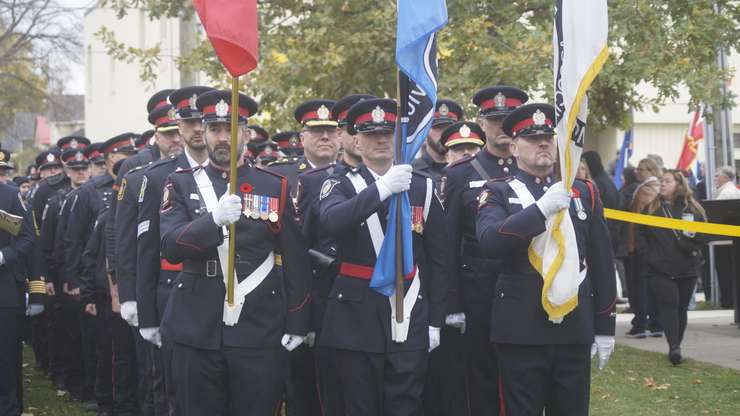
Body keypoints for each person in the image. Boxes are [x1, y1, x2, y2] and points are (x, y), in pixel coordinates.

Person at [159, 89, 311, 415]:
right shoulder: (181, 183)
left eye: (230, 129)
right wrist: (210, 221)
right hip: (196, 322)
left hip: (258, 323)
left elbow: (296, 259)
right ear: (204, 133)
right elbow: (170, 247)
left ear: (246, 133)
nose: (222, 137)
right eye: (214, 129)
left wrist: (298, 322)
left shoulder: (275, 185)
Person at [476, 103, 616, 415]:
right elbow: (490, 241)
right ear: (513, 147)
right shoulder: (497, 191)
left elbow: (602, 261)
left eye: (548, 137)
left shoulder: (583, 192)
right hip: (520, 329)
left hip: (573, 326)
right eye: (531, 138)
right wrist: (540, 210)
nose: (543, 143)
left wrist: (605, 325)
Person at [318, 97, 447, 415]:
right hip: (356, 317)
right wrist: (383, 188)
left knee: (405, 404)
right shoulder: (339, 184)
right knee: (360, 405)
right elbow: (333, 221)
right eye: (371, 133)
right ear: (356, 141)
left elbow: (440, 259)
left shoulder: (423, 188)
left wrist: (434, 319)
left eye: (388, 133)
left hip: (408, 311)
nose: (380, 140)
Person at [441, 85, 528, 415]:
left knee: (523, 373)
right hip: (479, 288)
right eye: (495, 120)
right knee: (480, 374)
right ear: (482, 122)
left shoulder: (534, 169)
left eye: (508, 120)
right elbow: (447, 242)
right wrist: (452, 300)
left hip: (526, 283)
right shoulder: (460, 173)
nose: (502, 127)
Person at [135, 85, 213, 416]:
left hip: (227, 295)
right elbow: (145, 248)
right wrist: (145, 312)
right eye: (189, 122)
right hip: (172, 295)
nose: (197, 129)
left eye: (203, 122)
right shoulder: (157, 177)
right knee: (176, 390)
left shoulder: (239, 172)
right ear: (177, 127)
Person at [637, 169, 707, 365]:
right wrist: (647, 256)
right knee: (669, 305)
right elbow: (640, 233)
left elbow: (703, 236)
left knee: (681, 308)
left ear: (678, 184)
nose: (663, 184)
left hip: (686, 266)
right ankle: (674, 347)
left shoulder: (691, 209)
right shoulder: (651, 208)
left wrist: (692, 246)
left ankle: (677, 343)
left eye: (667, 181)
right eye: (661, 181)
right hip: (659, 269)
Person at [0, 180, 36, 416]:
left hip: (3, 287)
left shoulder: (9, 195)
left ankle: (9, 408)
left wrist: (4, 256)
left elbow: (27, 237)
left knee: (6, 357)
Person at [269, 99, 340, 197]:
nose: (325, 137)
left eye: (331, 131)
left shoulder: (353, 175)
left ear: (340, 136)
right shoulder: (278, 176)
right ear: (302, 139)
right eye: (317, 131)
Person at [625, 158, 664, 338]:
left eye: (641, 169)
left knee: (639, 286)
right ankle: (656, 323)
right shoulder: (654, 188)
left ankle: (640, 324)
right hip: (652, 246)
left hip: (642, 246)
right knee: (651, 285)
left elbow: (637, 223)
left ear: (650, 170)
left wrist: (632, 246)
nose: (637, 172)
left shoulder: (646, 190)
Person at [412, 99, 463, 189]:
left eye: (449, 128)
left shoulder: (467, 168)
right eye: (438, 128)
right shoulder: (412, 172)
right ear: (425, 131)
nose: (444, 134)